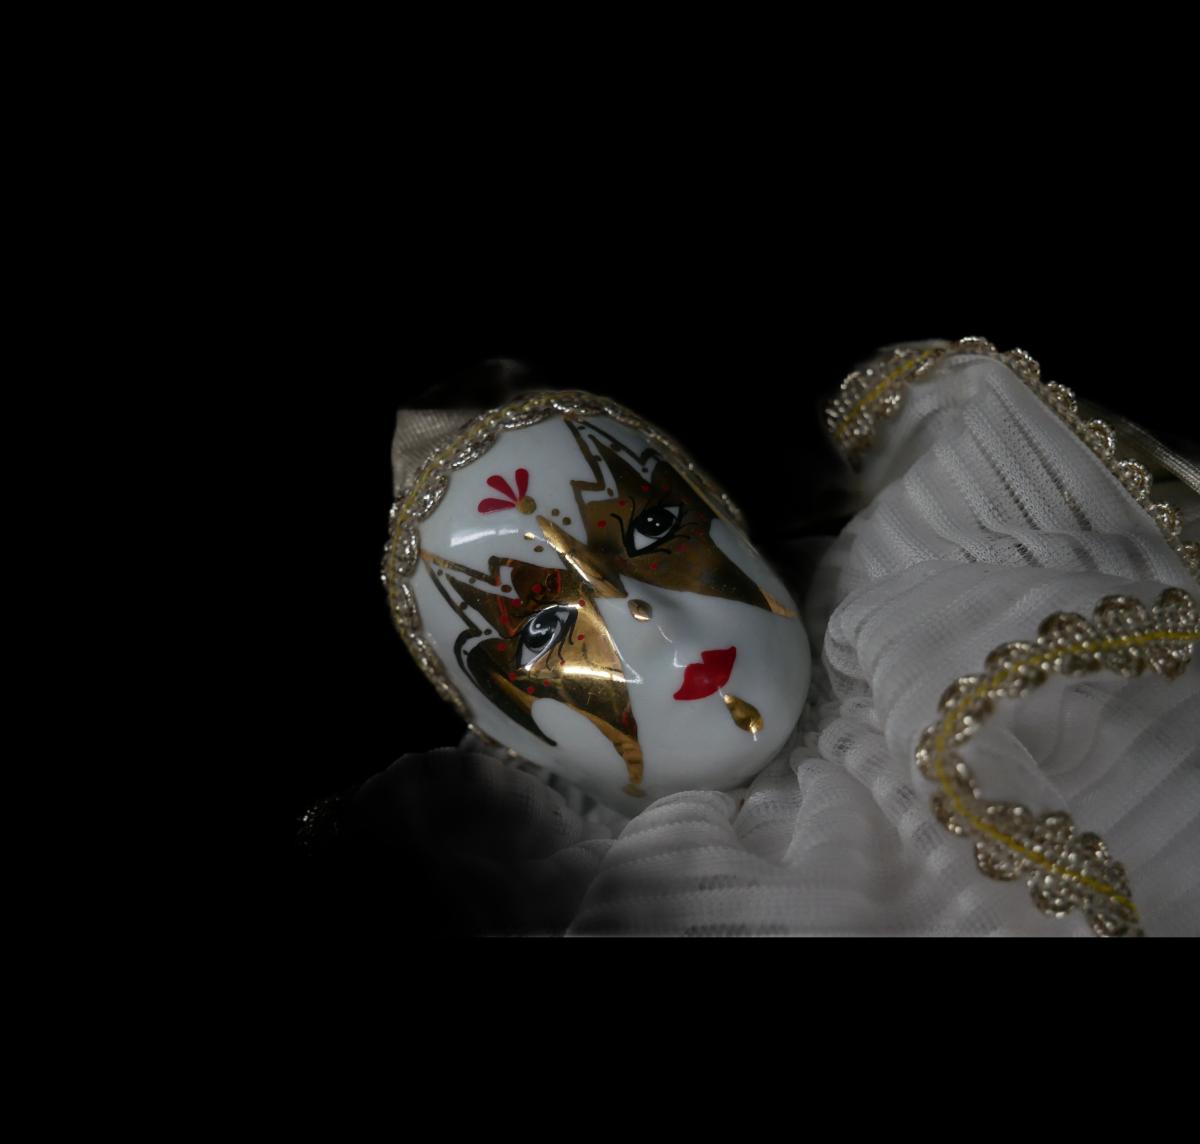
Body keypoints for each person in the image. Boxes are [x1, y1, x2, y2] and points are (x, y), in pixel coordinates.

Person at [299, 338, 1199, 936]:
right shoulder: (561, 894)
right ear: (503, 731)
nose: (643, 614)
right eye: (548, 625)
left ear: (728, 520)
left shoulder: (973, 588)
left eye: (653, 530)